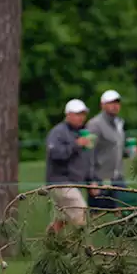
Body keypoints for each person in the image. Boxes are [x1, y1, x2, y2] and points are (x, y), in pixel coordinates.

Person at [45, 99, 95, 233]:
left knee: (63, 219)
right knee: (82, 214)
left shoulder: (83, 132)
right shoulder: (58, 132)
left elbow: (87, 159)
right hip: (60, 182)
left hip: (75, 183)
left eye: (83, 114)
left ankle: (49, 244)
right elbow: (55, 154)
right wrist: (76, 145)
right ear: (68, 115)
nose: (82, 117)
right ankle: (85, 248)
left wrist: (91, 181)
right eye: (78, 114)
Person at [87, 89, 131, 210]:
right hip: (100, 178)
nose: (115, 106)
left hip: (117, 177)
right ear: (103, 105)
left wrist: (128, 151)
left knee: (125, 209)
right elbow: (88, 153)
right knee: (97, 214)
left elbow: (115, 147)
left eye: (117, 103)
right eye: (111, 103)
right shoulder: (94, 124)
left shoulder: (119, 123)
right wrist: (91, 180)